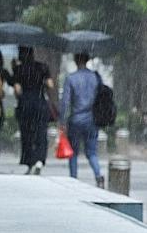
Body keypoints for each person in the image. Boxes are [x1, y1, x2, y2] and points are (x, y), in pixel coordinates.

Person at [60, 50, 103, 187]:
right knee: (91, 152)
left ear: (75, 60)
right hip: (92, 119)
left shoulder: (71, 78)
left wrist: (62, 121)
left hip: (76, 120)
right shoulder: (95, 77)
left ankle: (73, 179)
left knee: (73, 152)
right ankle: (98, 173)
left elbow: (65, 102)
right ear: (87, 60)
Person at [11, 46, 55, 174]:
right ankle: (40, 160)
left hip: (25, 104)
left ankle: (29, 161)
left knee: (27, 134)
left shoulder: (19, 69)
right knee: (41, 133)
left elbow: (17, 90)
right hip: (40, 103)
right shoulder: (42, 67)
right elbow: (50, 85)